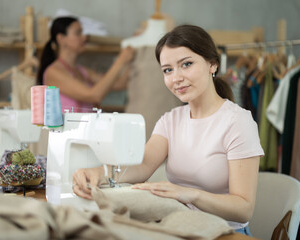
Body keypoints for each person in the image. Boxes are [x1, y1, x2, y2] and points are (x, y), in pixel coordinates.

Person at [73, 25, 264, 236]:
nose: (176, 78)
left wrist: (189, 195)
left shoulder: (237, 122)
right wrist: (98, 173)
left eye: (186, 64)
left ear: (212, 64)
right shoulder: (170, 120)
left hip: (224, 233)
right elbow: (143, 165)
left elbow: (243, 208)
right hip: (180, 225)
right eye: (168, 70)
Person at [37, 17, 134, 112]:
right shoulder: (53, 72)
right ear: (61, 39)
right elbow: (94, 96)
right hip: (69, 128)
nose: (84, 38)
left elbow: (120, 84)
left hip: (87, 127)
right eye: (78, 33)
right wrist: (120, 61)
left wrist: (131, 58)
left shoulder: (82, 71)